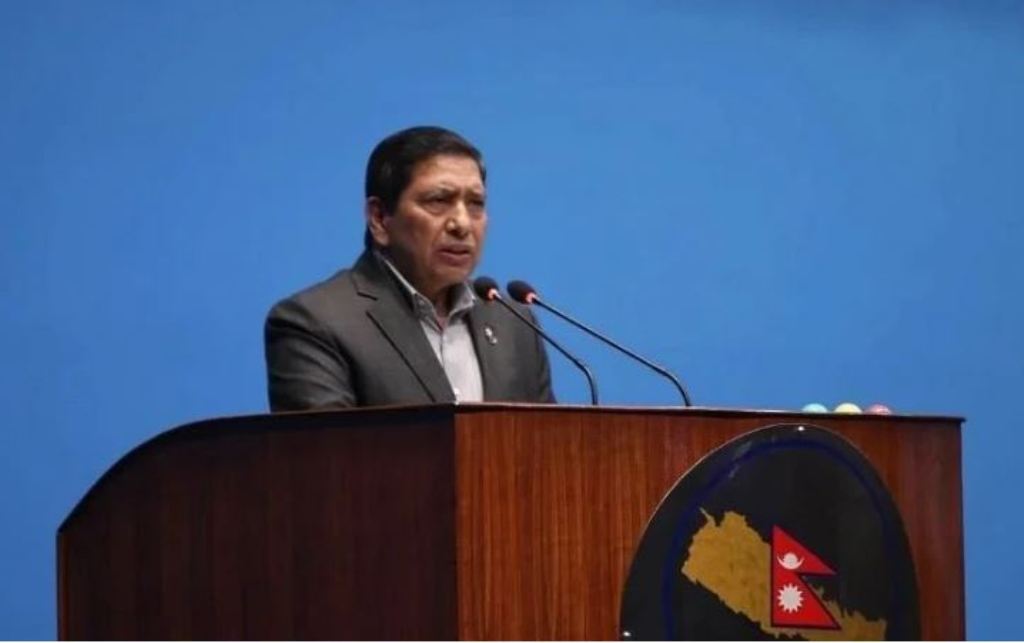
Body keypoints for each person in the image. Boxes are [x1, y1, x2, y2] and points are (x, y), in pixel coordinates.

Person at [264, 126, 555, 410]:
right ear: (379, 218)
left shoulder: (514, 323)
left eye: (476, 204)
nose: (463, 224)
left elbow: (548, 438)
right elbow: (330, 444)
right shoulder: (316, 323)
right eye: (439, 201)